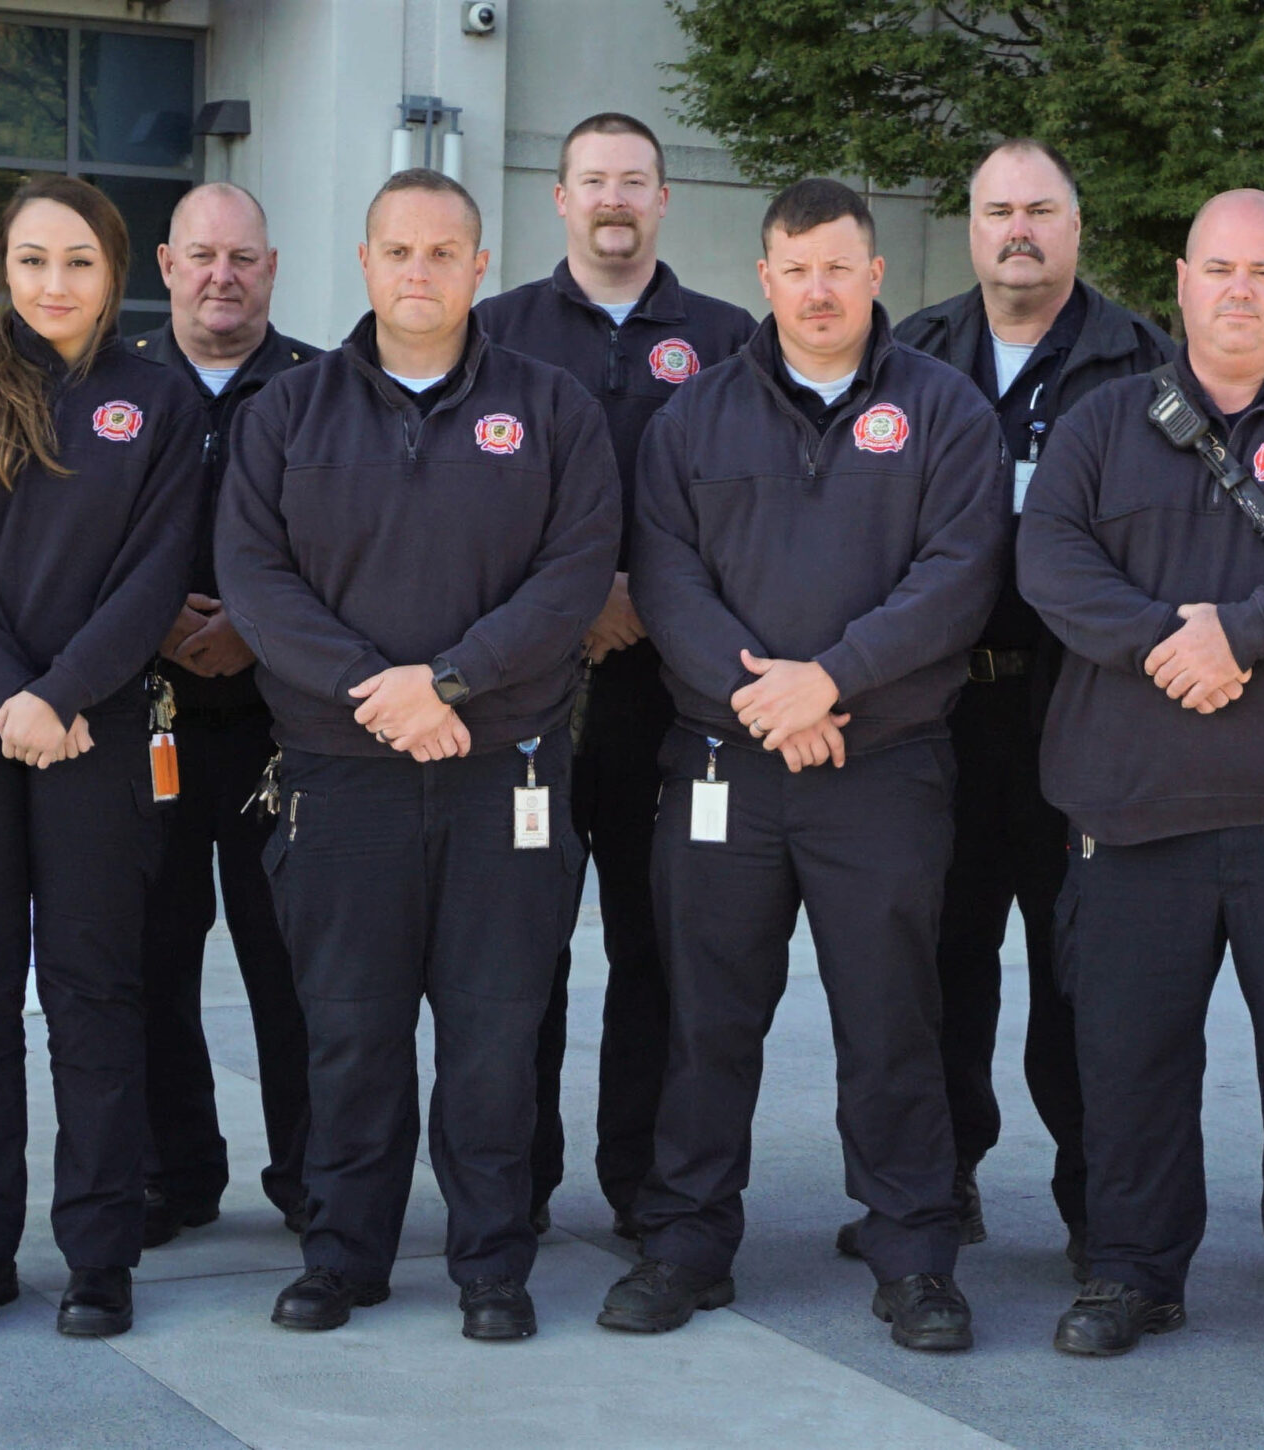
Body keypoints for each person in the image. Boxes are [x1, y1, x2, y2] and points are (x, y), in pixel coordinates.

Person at [1016, 189, 1264, 1378]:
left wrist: (1241, 633)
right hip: (1132, 813)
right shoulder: (1099, 426)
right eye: (1218, 268)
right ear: (1182, 283)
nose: (1239, 289)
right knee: (1128, 1062)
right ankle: (1132, 1272)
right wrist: (1168, 640)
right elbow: (1049, 560)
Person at [599, 178, 1007, 1352]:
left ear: (875, 276)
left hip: (880, 764)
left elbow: (957, 575)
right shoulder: (695, 419)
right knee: (705, 1013)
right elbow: (666, 578)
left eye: (839, 266)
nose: (817, 288)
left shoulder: (945, 411)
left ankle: (914, 1252)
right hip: (727, 759)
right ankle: (684, 1238)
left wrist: (827, 681)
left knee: (892, 1018)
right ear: (763, 277)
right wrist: (760, 697)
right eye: (795, 266)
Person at [217, 169, 618, 1342]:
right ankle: (343, 1252)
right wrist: (379, 696)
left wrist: (449, 683)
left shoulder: (549, 408)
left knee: (495, 1031)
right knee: (349, 1028)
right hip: (341, 777)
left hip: (508, 772)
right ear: (363, 261)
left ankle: (492, 1260)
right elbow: (256, 579)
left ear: (480, 265)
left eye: (444, 252)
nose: (420, 272)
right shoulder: (286, 415)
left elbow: (575, 572)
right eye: (399, 250)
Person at [0, 175, 207, 1339]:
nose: (53, 283)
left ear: (114, 269)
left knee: (94, 994)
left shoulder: (155, 401)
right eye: (30, 260)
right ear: (3, 269)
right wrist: (10, 695)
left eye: (76, 260)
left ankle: (98, 1255)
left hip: (97, 725)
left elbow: (157, 570)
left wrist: (64, 690)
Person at [878, 136, 1173, 1276]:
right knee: (936, 960)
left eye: (1040, 208)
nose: (1018, 228)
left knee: (1080, 973)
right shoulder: (911, 354)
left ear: (1075, 224)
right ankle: (937, 1184)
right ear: (969, 226)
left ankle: (1098, 1205)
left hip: (1079, 714)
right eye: (998, 208)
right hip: (936, 717)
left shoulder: (1142, 360)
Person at [474, 112, 755, 1239]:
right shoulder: (496, 331)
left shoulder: (732, 336)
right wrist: (575, 599)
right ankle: (517, 1180)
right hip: (527, 693)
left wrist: (644, 597)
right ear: (558, 197)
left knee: (657, 945)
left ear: (663, 198)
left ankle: (643, 1176)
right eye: (593, 181)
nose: (614, 200)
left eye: (634, 182)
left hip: (670, 693)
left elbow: (745, 502)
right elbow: (471, 507)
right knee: (518, 949)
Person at [126, 182, 319, 1250]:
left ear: (271, 266)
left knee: (293, 962)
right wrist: (150, 619)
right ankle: (172, 1173)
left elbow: (349, 547)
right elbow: (76, 545)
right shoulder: (114, 386)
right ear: (166, 264)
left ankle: (309, 1177)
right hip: (144, 717)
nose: (221, 276)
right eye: (201, 255)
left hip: (279, 726)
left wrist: (256, 622)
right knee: (153, 959)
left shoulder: (322, 388)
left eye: (241, 256)